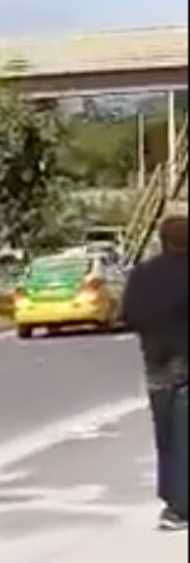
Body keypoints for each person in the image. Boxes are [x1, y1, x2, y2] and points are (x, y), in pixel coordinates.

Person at [123, 215, 188, 530]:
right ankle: (182, 505)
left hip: (155, 364)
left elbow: (130, 316)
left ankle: (171, 505)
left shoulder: (143, 275)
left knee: (166, 437)